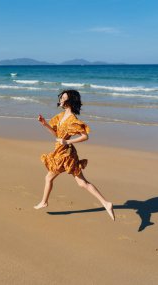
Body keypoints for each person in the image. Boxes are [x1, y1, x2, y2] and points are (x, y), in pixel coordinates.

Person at [34, 89, 115, 221]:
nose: (60, 100)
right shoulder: (60, 116)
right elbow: (56, 135)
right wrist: (45, 124)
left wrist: (67, 141)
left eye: (63, 98)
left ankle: (44, 202)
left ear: (70, 101)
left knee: (48, 178)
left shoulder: (72, 119)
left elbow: (85, 136)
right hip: (63, 151)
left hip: (65, 153)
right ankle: (106, 203)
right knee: (82, 183)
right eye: (61, 97)